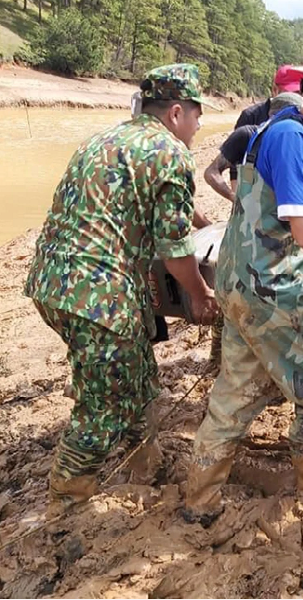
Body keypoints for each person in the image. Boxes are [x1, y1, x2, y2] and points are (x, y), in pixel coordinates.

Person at [183, 41, 303, 524]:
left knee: (234, 393)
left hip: (242, 287)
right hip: (272, 294)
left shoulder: (271, 131)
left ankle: (198, 502)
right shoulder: (293, 140)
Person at [24, 64, 219, 516]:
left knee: (137, 371)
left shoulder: (105, 139)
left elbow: (127, 203)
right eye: (196, 114)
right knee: (104, 406)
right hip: (98, 296)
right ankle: (64, 505)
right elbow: (175, 252)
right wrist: (198, 294)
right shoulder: (171, 152)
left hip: (50, 283)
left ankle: (143, 461)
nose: (198, 124)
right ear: (175, 113)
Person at [203, 93, 303, 367]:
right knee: (230, 288)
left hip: (272, 230)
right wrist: (236, 199)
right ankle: (217, 355)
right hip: (243, 227)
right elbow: (211, 173)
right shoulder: (246, 135)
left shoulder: (292, 144)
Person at [234, 65, 303, 128]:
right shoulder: (251, 117)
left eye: (298, 93)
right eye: (288, 94)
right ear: (274, 90)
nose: (294, 98)